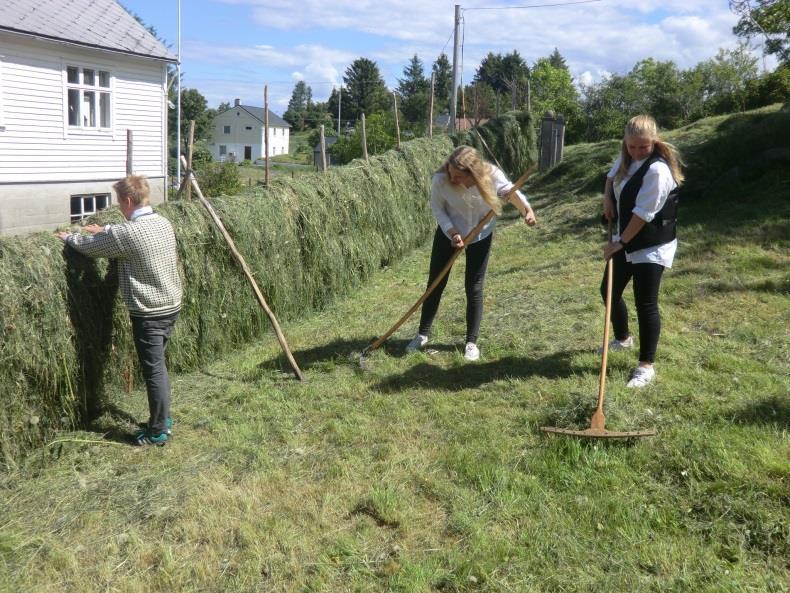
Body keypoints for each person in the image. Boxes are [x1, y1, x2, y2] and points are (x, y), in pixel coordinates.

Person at [57, 175, 182, 446]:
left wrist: (69, 238)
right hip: (171, 304)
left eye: (119, 202)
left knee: (154, 371)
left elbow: (91, 248)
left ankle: (158, 431)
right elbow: (126, 235)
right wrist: (107, 229)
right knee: (159, 365)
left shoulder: (127, 234)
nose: (119, 206)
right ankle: (164, 417)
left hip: (149, 311)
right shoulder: (162, 222)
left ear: (127, 200)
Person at [406, 145, 536, 361]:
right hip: (450, 234)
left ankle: (471, 342)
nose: (453, 179)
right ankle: (422, 334)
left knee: (474, 286)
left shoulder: (491, 175)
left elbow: (510, 192)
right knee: (435, 283)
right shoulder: (440, 179)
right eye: (451, 174)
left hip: (480, 234)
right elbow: (438, 208)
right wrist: (452, 232)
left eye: (458, 176)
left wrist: (527, 211)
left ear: (473, 174)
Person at [601, 115, 683, 388]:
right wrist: (608, 199)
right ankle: (623, 339)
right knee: (608, 291)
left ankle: (646, 366)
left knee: (645, 302)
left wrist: (619, 243)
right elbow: (612, 176)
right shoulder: (627, 158)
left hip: (651, 244)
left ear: (654, 142)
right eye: (632, 146)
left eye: (643, 147)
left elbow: (642, 215)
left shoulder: (658, 171)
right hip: (625, 237)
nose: (637, 151)